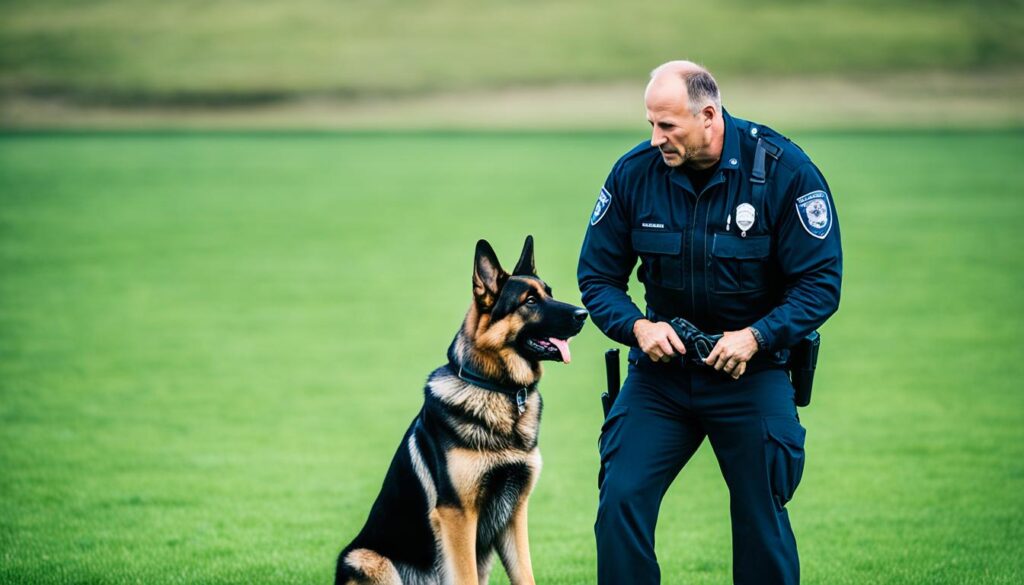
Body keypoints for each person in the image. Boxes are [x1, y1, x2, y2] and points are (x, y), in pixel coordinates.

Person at [577, 60, 842, 585]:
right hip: (662, 378)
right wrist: (639, 329)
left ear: (708, 115)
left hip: (752, 373)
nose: (656, 139)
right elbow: (597, 278)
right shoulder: (634, 174)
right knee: (621, 499)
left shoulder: (785, 172)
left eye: (668, 126)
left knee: (761, 516)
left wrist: (755, 336)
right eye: (651, 123)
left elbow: (820, 285)